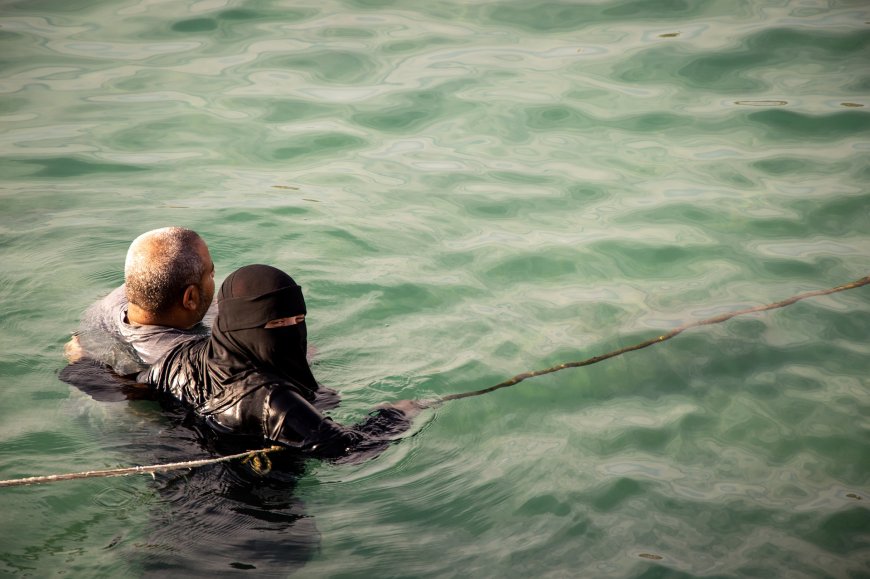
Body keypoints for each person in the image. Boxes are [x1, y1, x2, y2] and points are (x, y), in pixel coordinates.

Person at [138, 264, 420, 459]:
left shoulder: (181, 356)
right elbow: (348, 451)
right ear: (241, 324)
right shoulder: (274, 399)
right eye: (277, 323)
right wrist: (395, 414)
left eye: (298, 320)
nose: (292, 331)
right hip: (260, 513)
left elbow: (141, 387)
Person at [65, 226, 216, 375]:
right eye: (211, 273)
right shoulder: (187, 361)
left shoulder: (109, 304)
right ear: (190, 298)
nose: (214, 275)